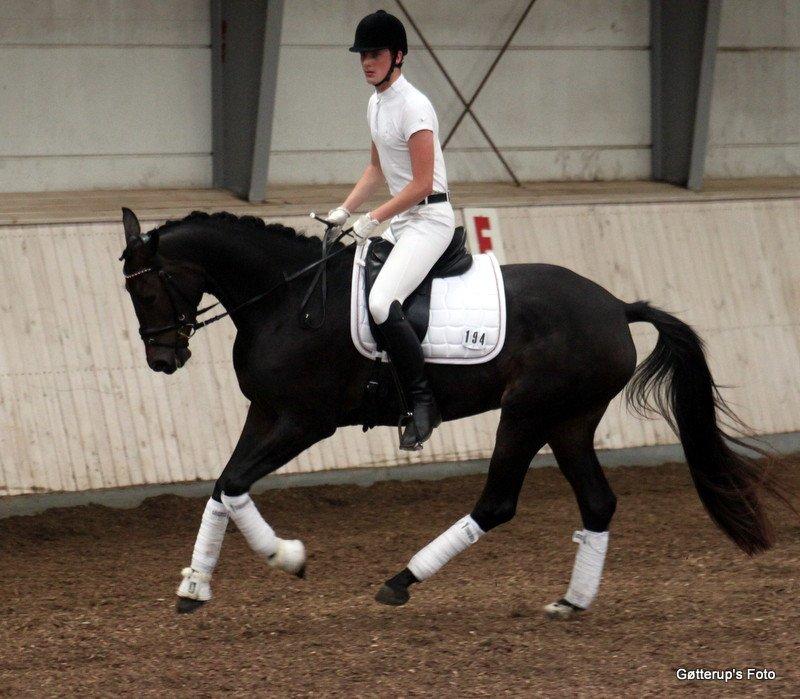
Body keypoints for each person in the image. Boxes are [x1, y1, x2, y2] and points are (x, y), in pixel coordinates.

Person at [326, 9, 455, 451]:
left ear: (398, 55)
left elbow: (421, 185)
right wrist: (343, 211)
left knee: (382, 301)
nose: (366, 61)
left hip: (429, 220)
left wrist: (374, 219)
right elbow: (377, 168)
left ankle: (423, 403)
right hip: (401, 219)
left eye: (375, 53)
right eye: (362, 54)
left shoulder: (415, 106)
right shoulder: (375, 102)